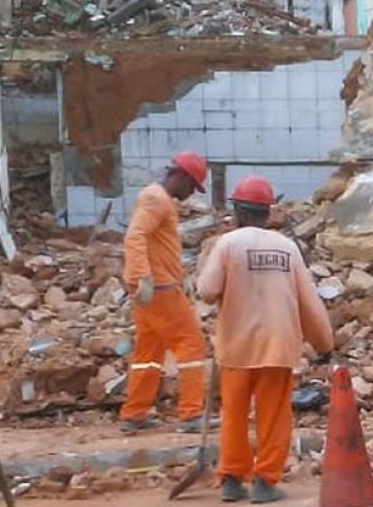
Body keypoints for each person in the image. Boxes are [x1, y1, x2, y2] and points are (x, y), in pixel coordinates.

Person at [197, 176, 334, 504]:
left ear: (237, 211)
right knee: (274, 417)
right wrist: (324, 343)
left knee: (234, 413)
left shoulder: (228, 245)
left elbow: (206, 290)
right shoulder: (287, 248)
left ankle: (231, 478)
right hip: (278, 345)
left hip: (237, 347)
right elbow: (307, 302)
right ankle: (264, 481)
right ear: (267, 212)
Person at [119, 151, 211, 434]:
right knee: (191, 342)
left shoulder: (157, 198)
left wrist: (177, 276)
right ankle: (191, 413)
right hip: (158, 287)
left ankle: (135, 412)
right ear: (180, 176)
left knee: (149, 350)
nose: (190, 193)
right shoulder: (156, 199)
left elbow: (158, 245)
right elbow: (136, 235)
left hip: (157, 284)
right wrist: (141, 276)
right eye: (191, 186)